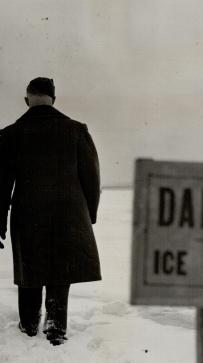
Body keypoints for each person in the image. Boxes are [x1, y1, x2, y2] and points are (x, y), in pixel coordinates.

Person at [0, 77, 101, 346]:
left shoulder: (9, 134)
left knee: (29, 269)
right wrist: (88, 215)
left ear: (26, 100)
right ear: (53, 99)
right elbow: (92, 179)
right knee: (60, 269)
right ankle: (56, 328)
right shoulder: (76, 130)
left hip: (27, 213)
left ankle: (29, 324)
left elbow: (0, 185)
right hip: (68, 215)